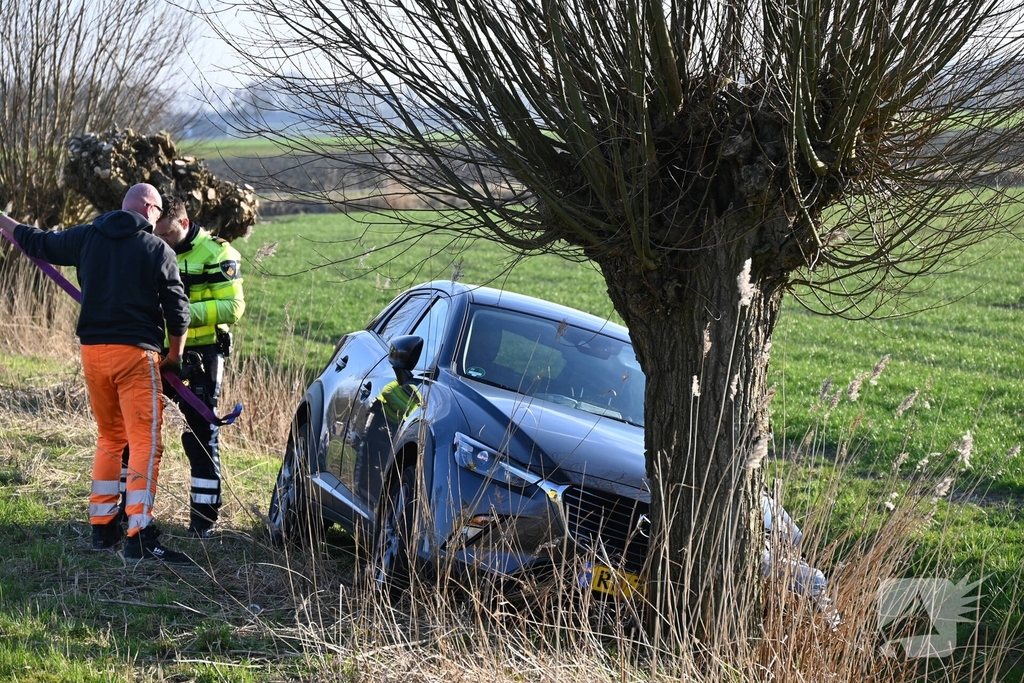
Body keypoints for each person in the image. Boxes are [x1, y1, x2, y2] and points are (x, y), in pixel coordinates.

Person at [0, 183, 193, 563]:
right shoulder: (157, 249)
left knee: (110, 436)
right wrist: (174, 357)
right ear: (152, 210)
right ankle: (140, 535)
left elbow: (37, 242)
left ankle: (103, 528)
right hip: (136, 356)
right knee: (145, 443)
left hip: (92, 353)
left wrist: (2, 221)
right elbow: (177, 311)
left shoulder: (87, 236)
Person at [148, 194, 245, 537]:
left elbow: (233, 307)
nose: (161, 242)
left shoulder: (218, 253)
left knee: (201, 437)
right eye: (155, 235)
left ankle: (203, 523)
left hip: (201, 355)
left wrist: (180, 316)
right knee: (139, 433)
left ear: (185, 224)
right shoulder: (149, 247)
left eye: (167, 235)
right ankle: (132, 516)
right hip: (154, 352)